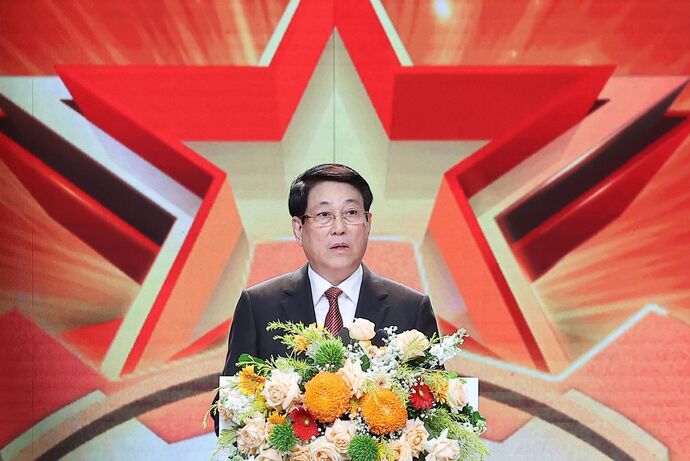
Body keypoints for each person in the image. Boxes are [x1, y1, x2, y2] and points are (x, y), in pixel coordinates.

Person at [213, 163, 438, 434]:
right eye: (324, 215)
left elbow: (437, 410)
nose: (339, 228)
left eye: (351, 213)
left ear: (368, 223)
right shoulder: (259, 306)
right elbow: (226, 410)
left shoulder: (411, 309)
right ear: (298, 228)